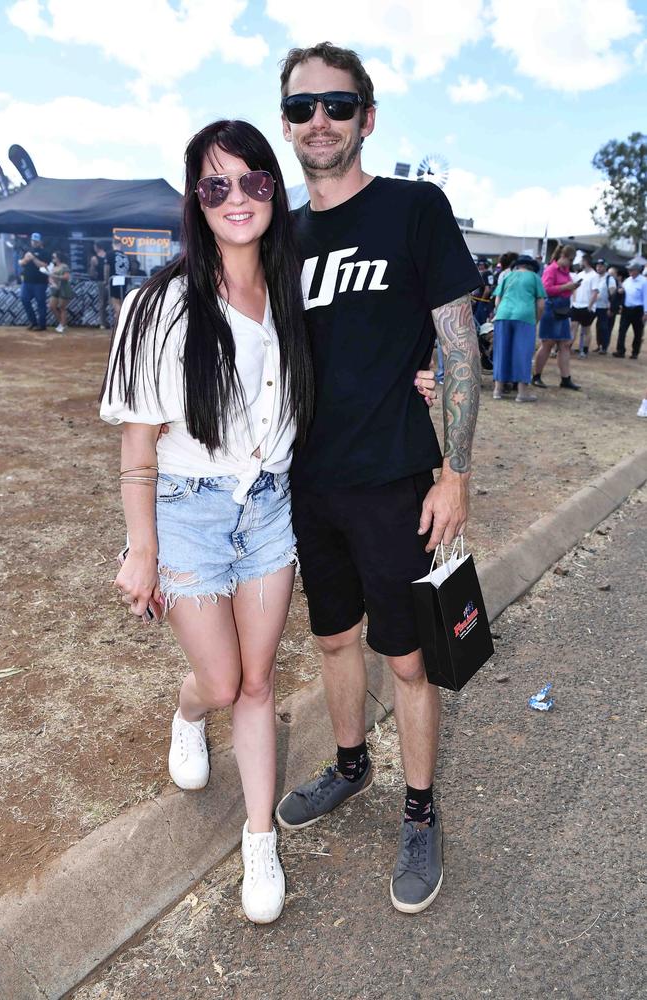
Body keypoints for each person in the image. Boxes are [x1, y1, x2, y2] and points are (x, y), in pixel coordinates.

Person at [275, 41, 481, 915]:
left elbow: (460, 346)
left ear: (368, 114)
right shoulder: (279, 234)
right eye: (301, 107)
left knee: (406, 656)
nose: (319, 120)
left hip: (397, 479)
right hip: (304, 484)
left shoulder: (413, 210)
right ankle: (353, 765)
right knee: (330, 641)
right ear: (287, 124)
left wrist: (457, 472)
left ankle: (422, 811)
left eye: (337, 103)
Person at [100, 119, 314, 925]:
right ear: (197, 198)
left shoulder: (291, 291)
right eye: (216, 184)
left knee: (258, 683)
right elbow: (138, 439)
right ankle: (190, 711)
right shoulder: (158, 303)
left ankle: (260, 838)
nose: (236, 198)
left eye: (252, 180)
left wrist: (423, 380)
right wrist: (142, 548)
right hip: (189, 511)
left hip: (269, 508)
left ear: (274, 189)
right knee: (222, 682)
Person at [491, 254, 545, 401]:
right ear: (532, 267)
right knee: (523, 353)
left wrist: (502, 311)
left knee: (501, 352)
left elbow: (497, 300)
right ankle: (522, 393)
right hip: (525, 316)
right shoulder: (534, 278)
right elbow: (540, 304)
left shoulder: (508, 276)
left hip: (503, 315)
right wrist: (536, 320)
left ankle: (498, 390)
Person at [532, 243, 581, 390]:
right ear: (563, 256)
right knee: (547, 344)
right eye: (570, 260)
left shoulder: (565, 270)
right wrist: (566, 287)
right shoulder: (551, 269)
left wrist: (571, 287)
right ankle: (536, 376)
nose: (571, 264)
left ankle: (566, 379)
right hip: (551, 309)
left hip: (562, 309)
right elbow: (545, 289)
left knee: (565, 344)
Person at [613, 261, 647, 359]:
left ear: (637, 270)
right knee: (622, 330)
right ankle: (620, 350)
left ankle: (635, 352)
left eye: (631, 270)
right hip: (626, 308)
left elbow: (646, 297)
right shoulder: (627, 280)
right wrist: (620, 290)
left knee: (638, 332)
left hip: (638, 309)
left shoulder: (644, 282)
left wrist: (646, 312)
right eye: (629, 270)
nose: (629, 271)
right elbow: (621, 290)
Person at [18, 232, 50, 331]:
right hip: (27, 281)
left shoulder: (45, 252)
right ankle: (33, 321)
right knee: (24, 299)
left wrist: (34, 258)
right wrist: (25, 259)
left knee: (40, 302)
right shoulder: (27, 251)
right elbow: (20, 263)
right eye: (33, 240)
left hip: (40, 282)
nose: (34, 242)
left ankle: (42, 325)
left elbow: (44, 266)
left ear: (40, 241)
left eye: (36, 241)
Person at [569, 253, 598, 356]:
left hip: (586, 306)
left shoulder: (594, 275)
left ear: (586, 261)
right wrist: (574, 301)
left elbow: (595, 292)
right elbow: (574, 288)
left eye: (581, 261)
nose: (580, 263)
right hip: (577, 305)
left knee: (586, 329)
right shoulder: (580, 274)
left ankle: (584, 350)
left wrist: (590, 306)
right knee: (573, 326)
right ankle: (568, 347)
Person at [591, 258, 616, 354]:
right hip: (594, 306)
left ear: (605, 267)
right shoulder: (595, 277)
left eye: (601, 266)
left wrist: (611, 307)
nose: (598, 268)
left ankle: (604, 347)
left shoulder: (609, 278)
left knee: (603, 327)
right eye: (597, 266)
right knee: (596, 327)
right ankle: (598, 345)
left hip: (604, 306)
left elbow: (612, 294)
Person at [105, 235, 130, 326]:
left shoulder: (110, 254)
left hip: (114, 279)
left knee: (115, 301)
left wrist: (106, 280)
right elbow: (129, 270)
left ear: (113, 244)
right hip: (124, 279)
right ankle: (120, 319)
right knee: (120, 301)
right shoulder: (125, 255)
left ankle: (121, 322)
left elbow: (107, 268)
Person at [48, 251, 72, 332]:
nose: (53, 259)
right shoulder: (52, 267)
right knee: (52, 306)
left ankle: (62, 324)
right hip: (55, 289)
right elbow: (50, 278)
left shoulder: (64, 266)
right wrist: (52, 283)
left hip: (64, 288)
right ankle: (62, 323)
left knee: (62, 307)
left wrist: (54, 276)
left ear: (58, 258)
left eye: (54, 257)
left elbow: (66, 277)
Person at [89, 242, 109, 328]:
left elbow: (92, 272)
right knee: (109, 303)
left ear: (97, 247)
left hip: (101, 281)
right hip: (110, 281)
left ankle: (102, 323)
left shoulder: (94, 258)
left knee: (102, 303)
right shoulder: (108, 255)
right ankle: (105, 322)